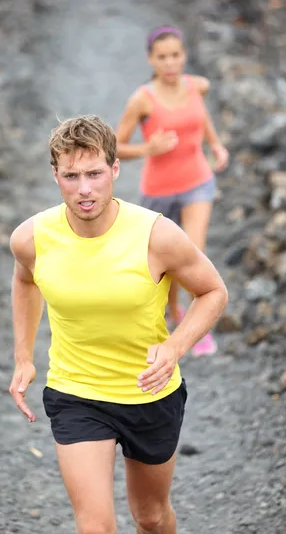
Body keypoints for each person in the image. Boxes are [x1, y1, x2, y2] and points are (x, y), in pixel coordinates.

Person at [9, 115, 228, 534]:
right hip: (76, 392)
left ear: (114, 169)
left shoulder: (156, 236)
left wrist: (175, 347)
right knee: (95, 527)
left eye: (94, 173)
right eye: (71, 176)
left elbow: (214, 291)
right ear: (55, 175)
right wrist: (23, 357)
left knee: (151, 516)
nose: (84, 188)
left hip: (148, 393)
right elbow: (24, 280)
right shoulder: (32, 238)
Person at [115, 25, 230, 357]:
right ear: (151, 60)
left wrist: (216, 144)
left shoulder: (198, 85)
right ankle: (170, 311)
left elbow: (200, 115)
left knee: (193, 252)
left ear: (185, 56)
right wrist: (147, 148)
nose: (170, 63)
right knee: (167, 263)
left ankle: (193, 325)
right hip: (158, 191)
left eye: (175, 55)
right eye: (162, 57)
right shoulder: (142, 99)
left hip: (198, 181)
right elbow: (115, 147)